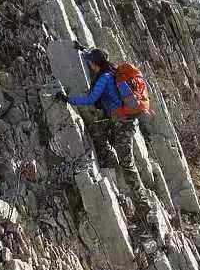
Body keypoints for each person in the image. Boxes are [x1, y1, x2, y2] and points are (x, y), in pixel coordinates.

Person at [55, 48, 151, 218]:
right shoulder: (110, 69)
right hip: (119, 121)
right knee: (96, 131)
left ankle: (144, 205)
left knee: (127, 164)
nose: (89, 65)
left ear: (95, 65)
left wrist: (67, 99)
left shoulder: (105, 78)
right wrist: (83, 50)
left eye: (90, 63)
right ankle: (108, 160)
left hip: (123, 124)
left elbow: (90, 99)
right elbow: (98, 56)